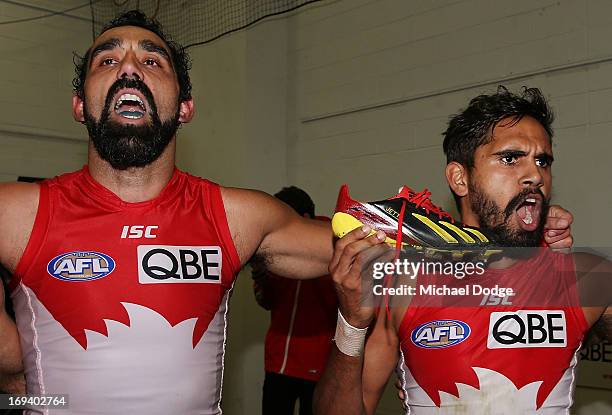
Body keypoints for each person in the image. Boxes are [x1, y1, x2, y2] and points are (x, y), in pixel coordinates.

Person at [0, 10, 573, 414]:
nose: (131, 67)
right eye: (109, 59)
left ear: (186, 107)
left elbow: (379, 247)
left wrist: (520, 229)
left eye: (153, 59)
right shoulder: (22, 209)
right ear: (79, 104)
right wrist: (16, 376)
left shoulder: (237, 215)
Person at [313, 87, 612, 414]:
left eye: (543, 161)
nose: (535, 175)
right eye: (510, 158)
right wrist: (350, 325)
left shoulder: (584, 275)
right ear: (459, 178)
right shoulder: (404, 282)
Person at [252, 186, 338, 415]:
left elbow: (343, 307)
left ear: (304, 219)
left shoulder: (332, 243)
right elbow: (266, 302)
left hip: (318, 365)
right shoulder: (277, 249)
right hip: (278, 362)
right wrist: (260, 273)